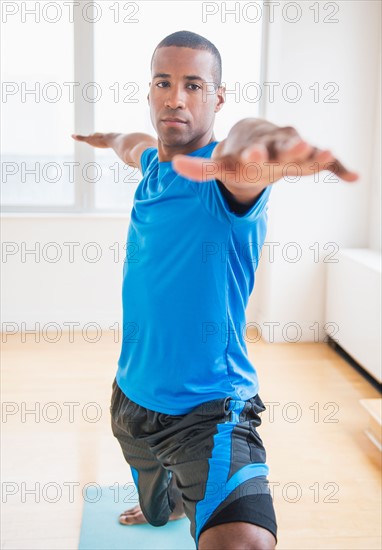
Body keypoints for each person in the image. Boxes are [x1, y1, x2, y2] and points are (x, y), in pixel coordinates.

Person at [72, 30, 358, 550]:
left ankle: (195, 492)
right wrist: (105, 138)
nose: (176, 97)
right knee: (158, 514)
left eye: (194, 85)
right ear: (151, 89)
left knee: (243, 539)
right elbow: (130, 145)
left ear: (217, 97)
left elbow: (249, 162)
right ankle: (171, 500)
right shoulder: (155, 165)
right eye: (164, 82)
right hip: (130, 402)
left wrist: (267, 150)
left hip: (209, 412)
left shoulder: (225, 177)